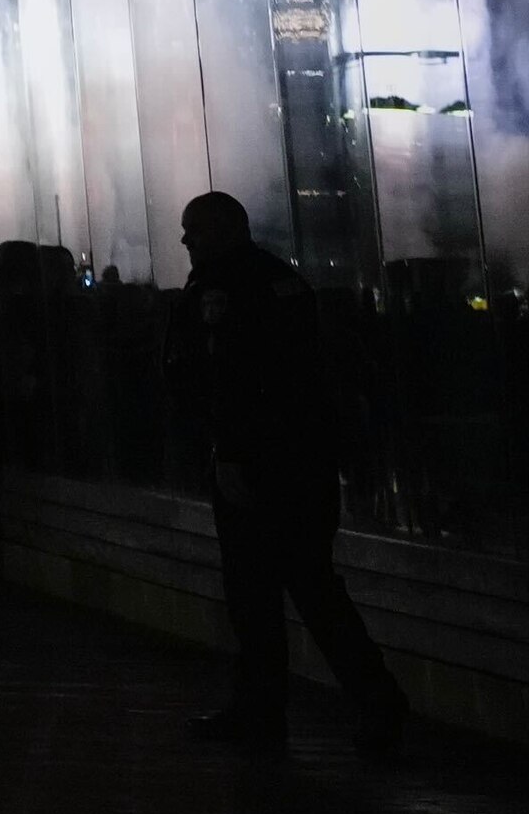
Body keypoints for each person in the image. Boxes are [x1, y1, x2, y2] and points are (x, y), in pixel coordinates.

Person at [171, 188, 406, 757]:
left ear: (224, 230)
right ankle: (367, 706)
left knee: (263, 592)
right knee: (307, 586)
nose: (186, 242)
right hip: (301, 462)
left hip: (260, 465)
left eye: (195, 231)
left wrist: (229, 453)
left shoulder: (226, 290)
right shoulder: (280, 281)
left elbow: (234, 380)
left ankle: (277, 710)